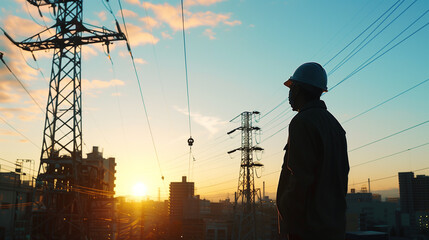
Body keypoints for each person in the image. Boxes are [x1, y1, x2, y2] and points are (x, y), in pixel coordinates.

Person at [276, 62, 349, 240]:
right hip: (332, 227)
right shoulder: (334, 125)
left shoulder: (302, 122)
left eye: (292, 88)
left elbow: (300, 178)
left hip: (307, 228)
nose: (289, 94)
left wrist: (290, 216)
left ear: (298, 90)